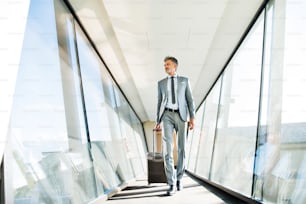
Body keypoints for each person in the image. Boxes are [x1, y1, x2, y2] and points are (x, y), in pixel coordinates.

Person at [155, 56, 195, 196]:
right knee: (167, 150)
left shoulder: (185, 81)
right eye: (164, 64)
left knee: (182, 148)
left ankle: (179, 179)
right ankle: (171, 183)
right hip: (166, 115)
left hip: (182, 116)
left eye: (168, 64)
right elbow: (159, 102)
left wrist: (192, 118)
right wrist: (158, 120)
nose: (165, 66)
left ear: (175, 66)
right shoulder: (161, 83)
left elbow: (190, 100)